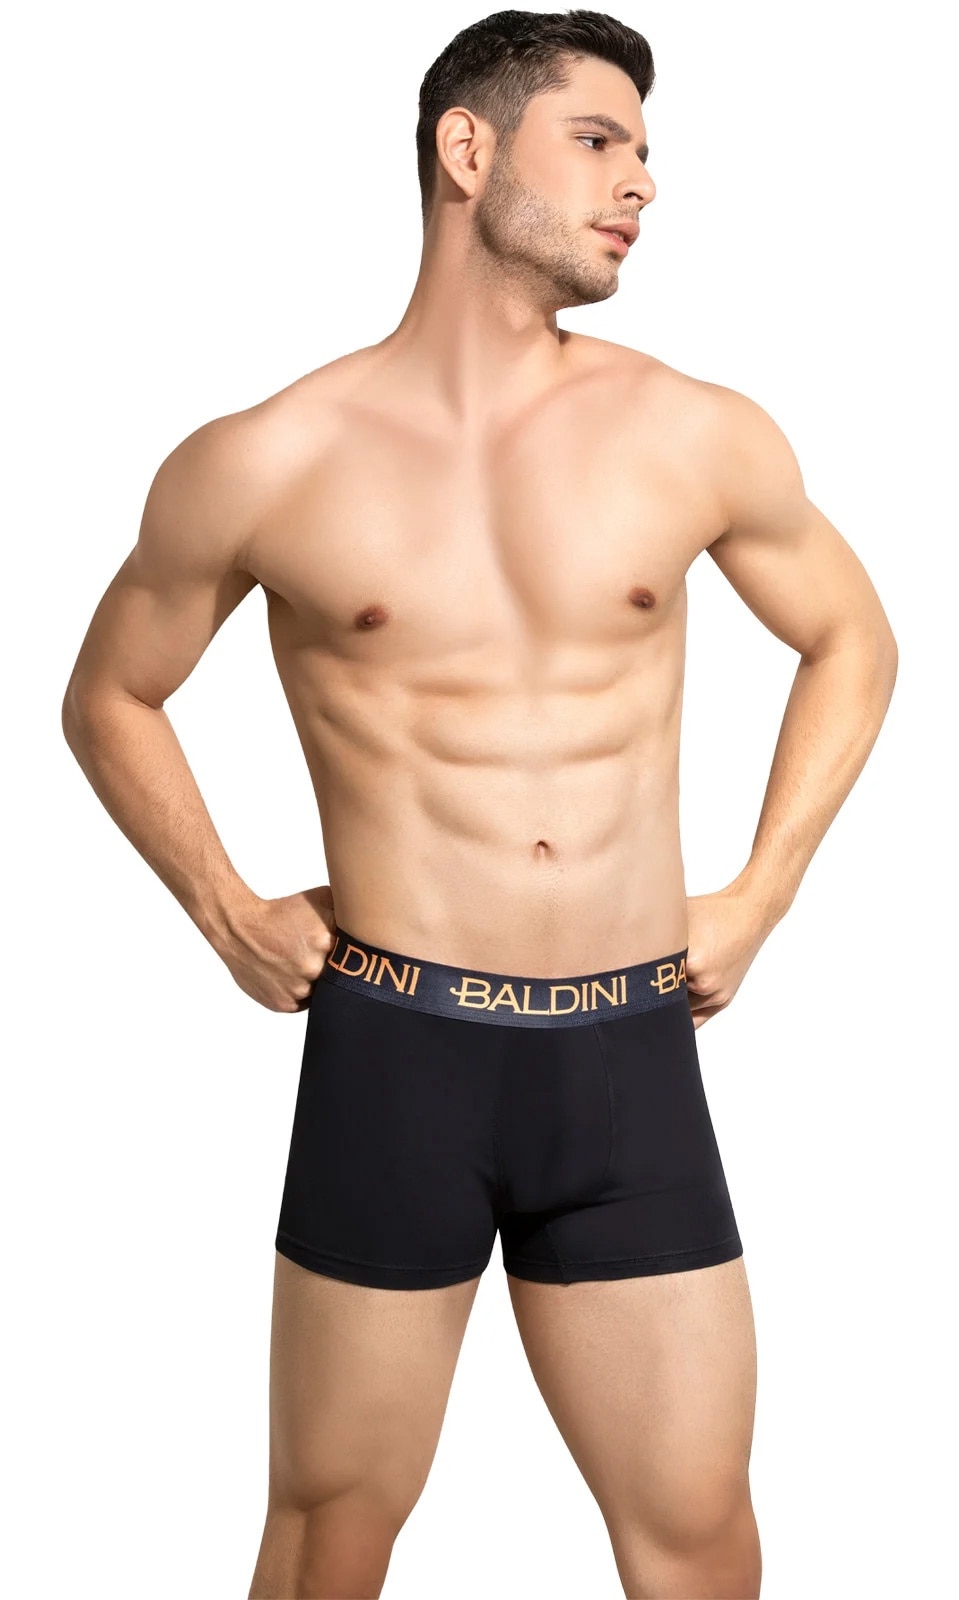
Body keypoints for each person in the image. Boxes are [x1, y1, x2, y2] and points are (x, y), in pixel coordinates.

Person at [61, 9, 897, 1599]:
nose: (641, 181)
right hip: (400, 1051)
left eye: (644, 150)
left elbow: (855, 637)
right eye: (598, 139)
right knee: (331, 1531)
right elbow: (110, 692)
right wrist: (226, 908)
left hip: (626, 1056)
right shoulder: (268, 457)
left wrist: (762, 891)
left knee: (700, 1536)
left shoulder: (695, 431)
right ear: (468, 150)